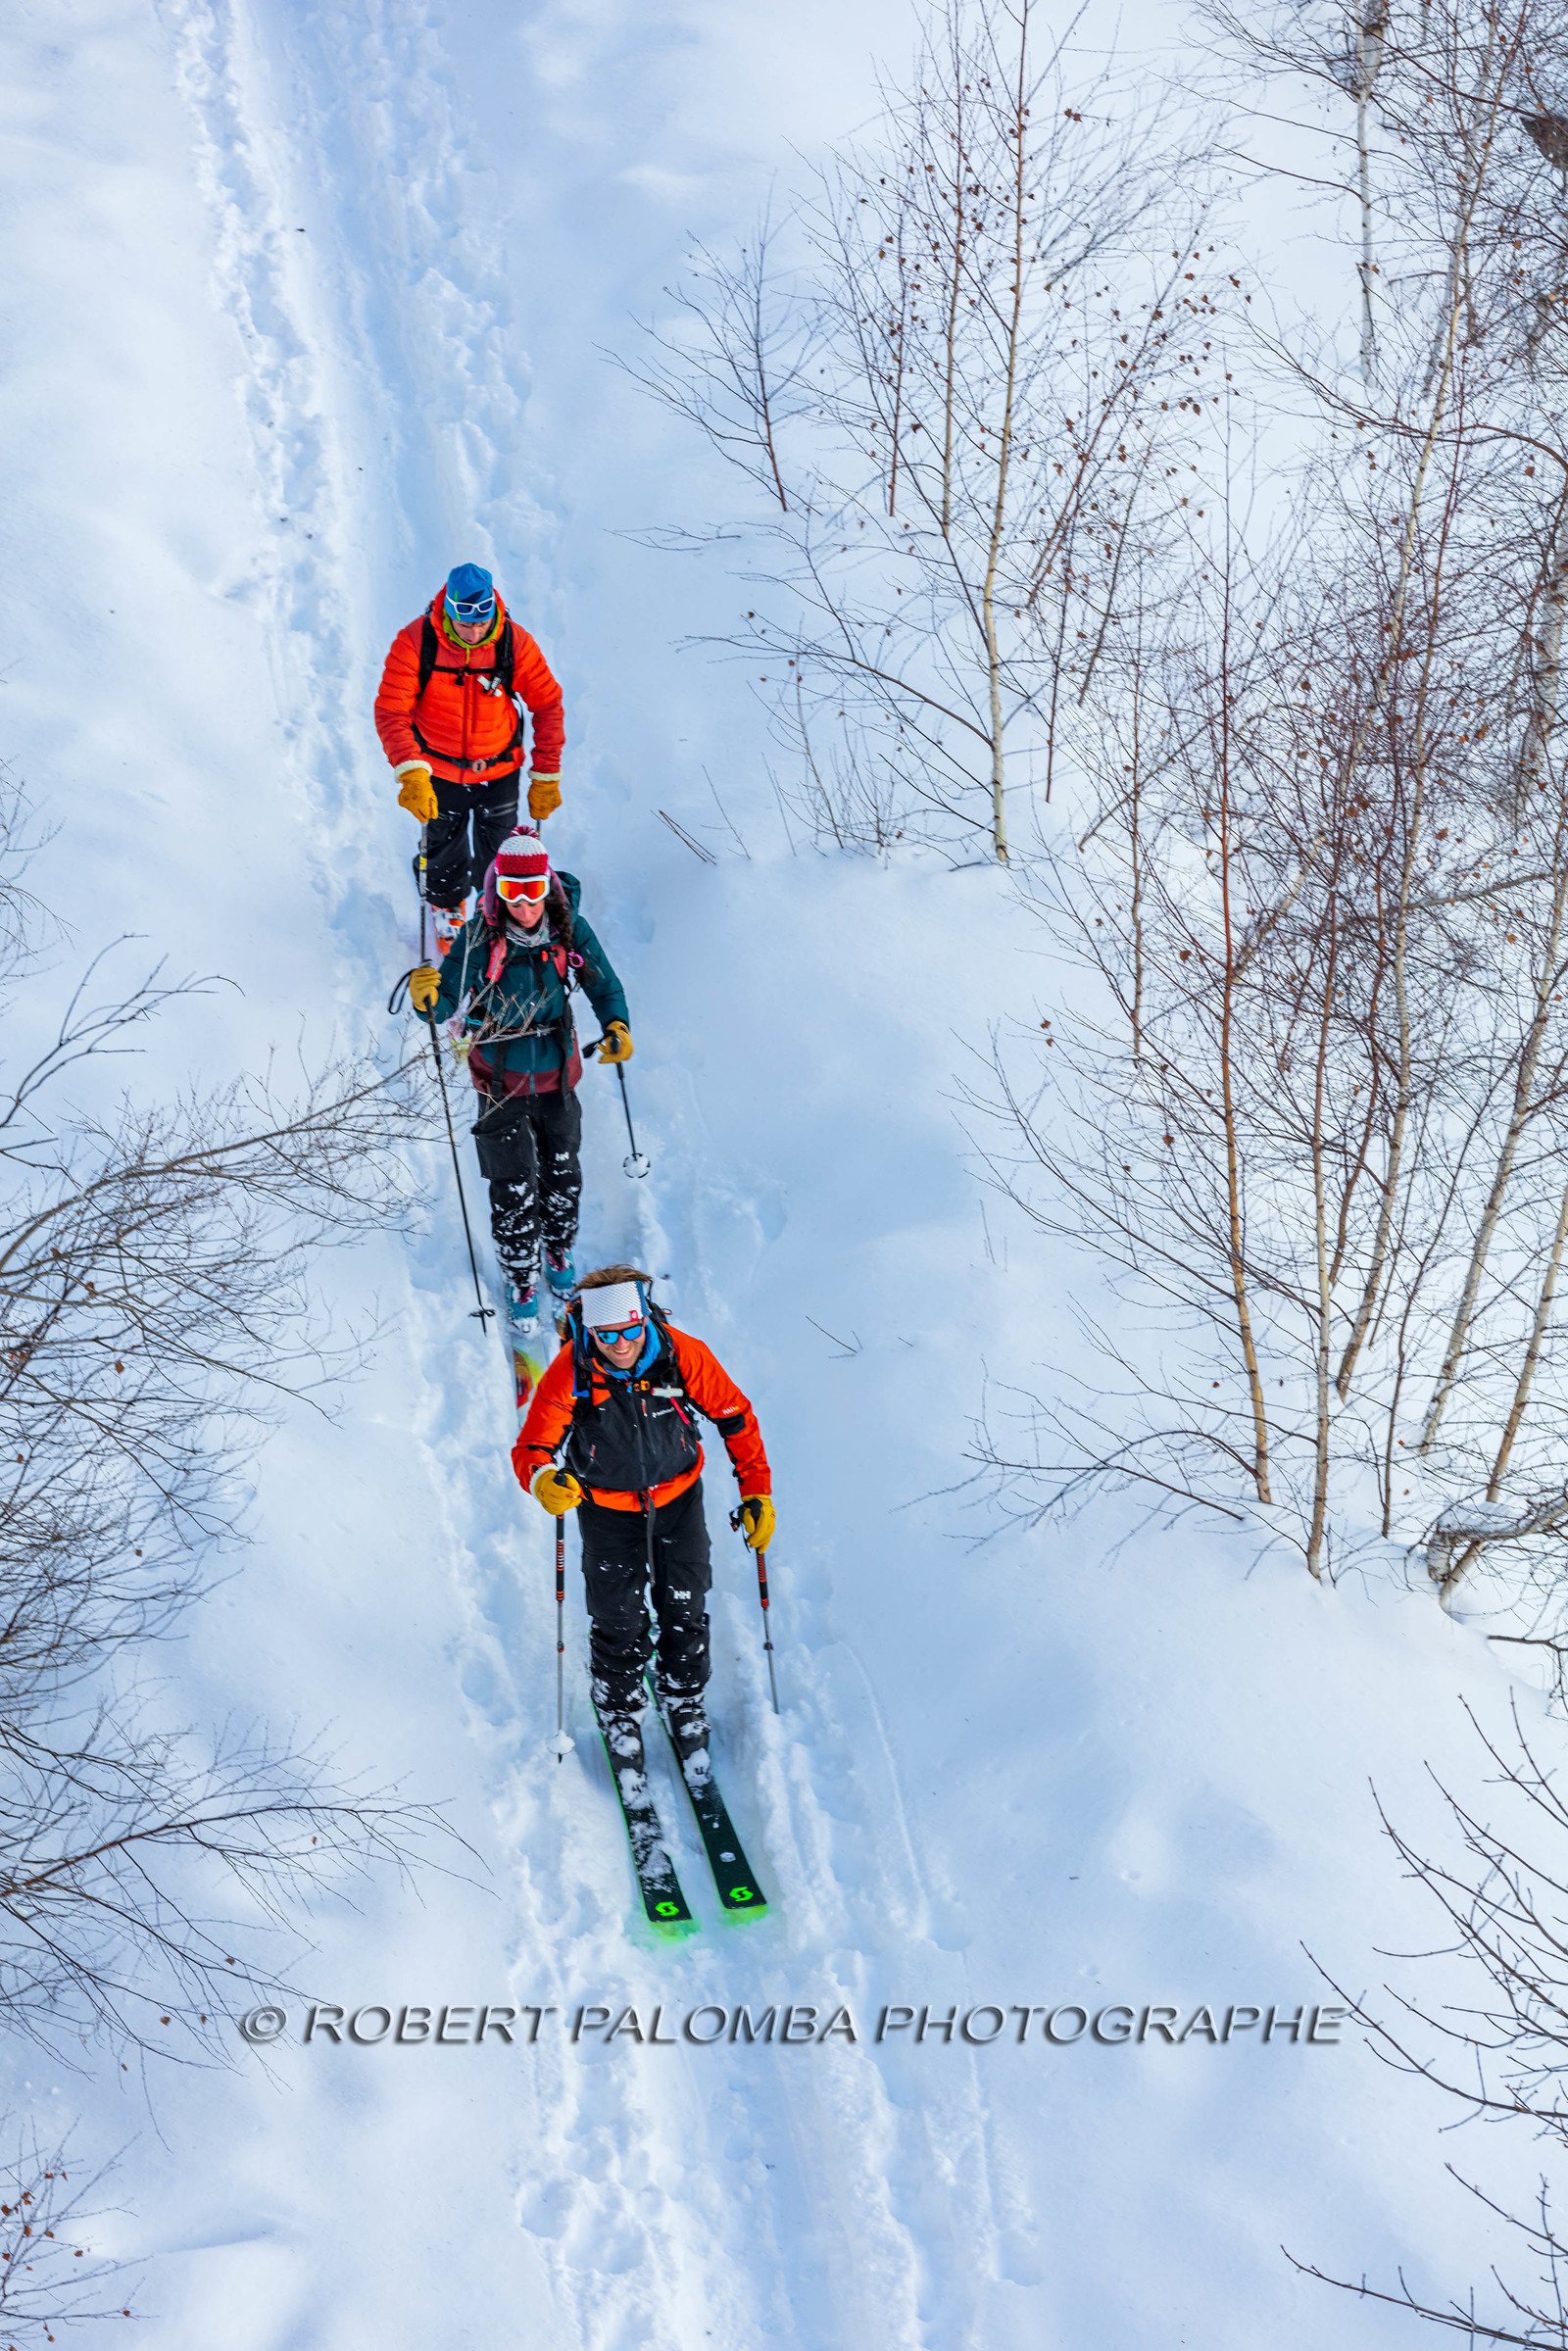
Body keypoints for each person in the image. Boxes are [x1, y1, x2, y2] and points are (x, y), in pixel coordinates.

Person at [513, 1266, 775, 1779]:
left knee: (685, 1602)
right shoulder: (571, 1370)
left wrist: (756, 1492)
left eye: (629, 1331)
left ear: (644, 1320)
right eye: (605, 1335)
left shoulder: (682, 1354)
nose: (619, 1345)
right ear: (589, 1330)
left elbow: (736, 1418)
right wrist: (543, 1479)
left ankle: (684, 1698)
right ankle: (618, 1707)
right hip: (607, 1508)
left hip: (678, 1499)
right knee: (617, 1616)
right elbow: (532, 1447)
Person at [407, 828, 632, 1323]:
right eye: (513, 893)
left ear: (547, 887)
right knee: (511, 1181)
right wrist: (428, 999)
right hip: (499, 1078)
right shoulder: (479, 934)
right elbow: (447, 997)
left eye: (533, 893)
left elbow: (604, 985)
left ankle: (556, 1249)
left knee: (562, 1172)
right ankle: (520, 1271)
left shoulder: (570, 927)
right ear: (498, 890)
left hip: (556, 1072)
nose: (524, 906)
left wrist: (616, 1025)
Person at [376, 562, 564, 953]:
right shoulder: (415, 642)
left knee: (500, 851)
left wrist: (545, 774)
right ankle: (447, 906)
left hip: (499, 769)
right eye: (466, 626)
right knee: (443, 845)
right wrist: (411, 771)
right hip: (439, 770)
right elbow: (392, 711)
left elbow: (547, 704)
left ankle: (492, 907)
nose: (475, 633)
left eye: (482, 624)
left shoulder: (513, 642)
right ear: (449, 612)